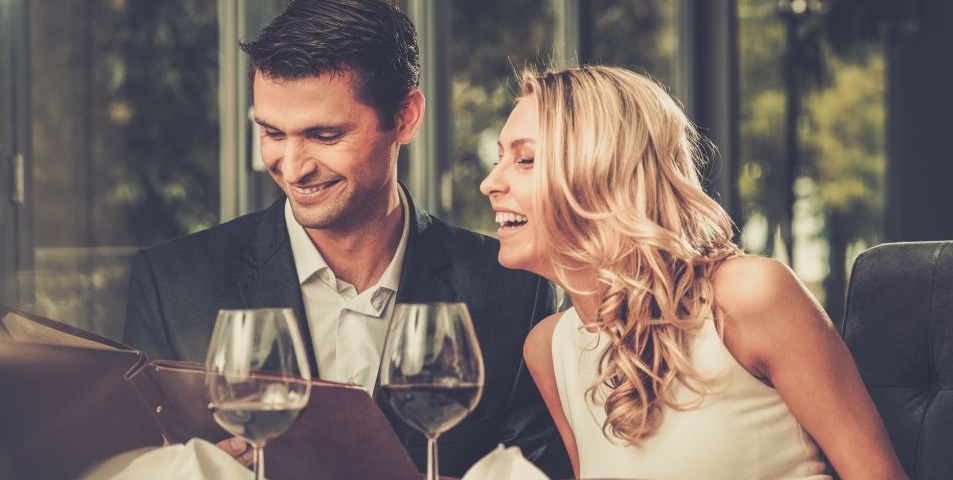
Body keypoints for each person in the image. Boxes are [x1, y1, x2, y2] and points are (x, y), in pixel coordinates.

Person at [122, 1, 570, 477]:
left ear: (405, 118)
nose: (293, 167)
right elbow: (138, 458)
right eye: (273, 133)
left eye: (325, 135)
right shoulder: (172, 285)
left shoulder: (514, 290)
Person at [480, 65, 908, 480]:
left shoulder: (747, 296)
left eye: (526, 160)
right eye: (501, 158)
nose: (489, 183)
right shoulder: (549, 349)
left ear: (602, 173)